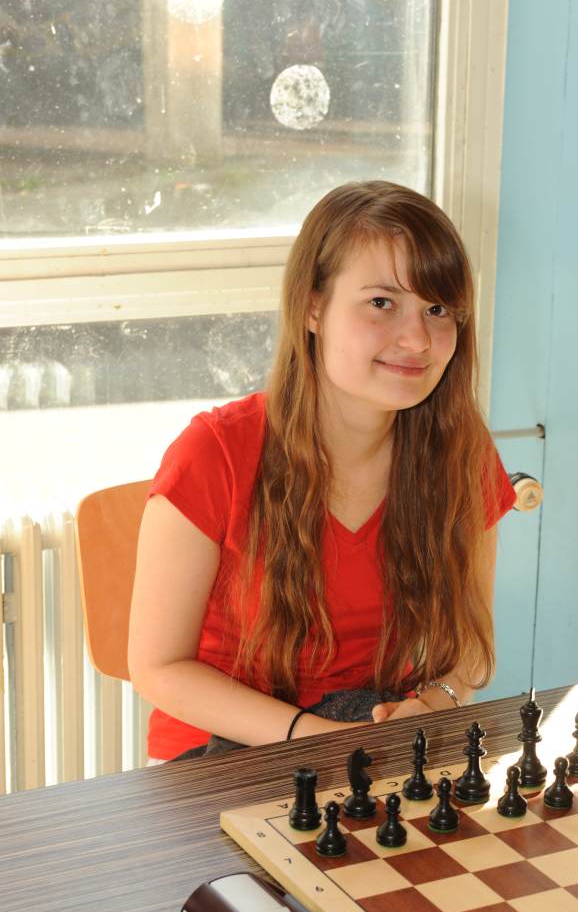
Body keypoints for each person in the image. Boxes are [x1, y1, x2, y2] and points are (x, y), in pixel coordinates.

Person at [128, 180, 516, 762]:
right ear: (313, 308)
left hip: (370, 741)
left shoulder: (464, 455)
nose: (417, 339)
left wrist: (437, 701)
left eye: (437, 310)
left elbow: (470, 645)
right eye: (381, 302)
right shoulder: (214, 453)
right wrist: (319, 739)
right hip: (217, 757)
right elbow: (159, 667)